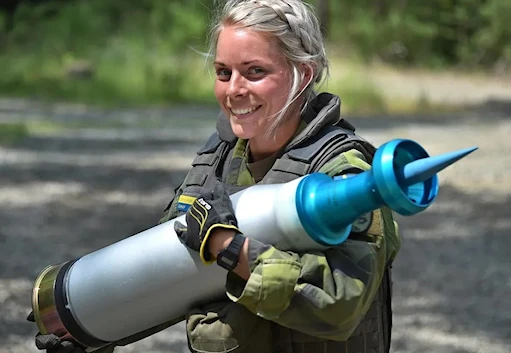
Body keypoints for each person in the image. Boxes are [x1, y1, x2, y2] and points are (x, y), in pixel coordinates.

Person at [29, 0, 401, 352]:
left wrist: (229, 247)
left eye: (255, 71)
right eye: (224, 72)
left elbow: (340, 304)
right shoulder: (218, 160)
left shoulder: (344, 173)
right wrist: (86, 328)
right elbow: (162, 273)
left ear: (302, 74)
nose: (234, 90)